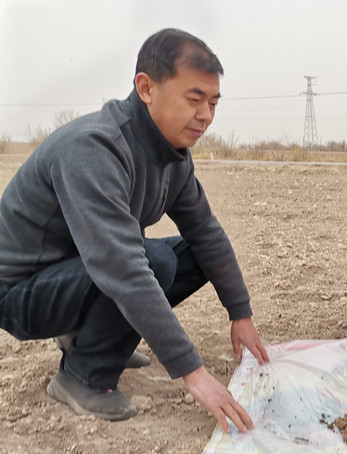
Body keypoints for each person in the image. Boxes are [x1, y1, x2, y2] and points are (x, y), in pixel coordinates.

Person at [0, 28, 269, 433]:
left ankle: (96, 338)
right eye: (194, 99)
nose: (206, 116)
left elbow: (206, 232)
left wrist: (241, 314)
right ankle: (82, 375)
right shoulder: (94, 147)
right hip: (21, 293)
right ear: (146, 87)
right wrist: (193, 373)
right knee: (150, 260)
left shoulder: (173, 156)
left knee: (192, 254)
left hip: (77, 271)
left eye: (213, 103)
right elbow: (123, 266)